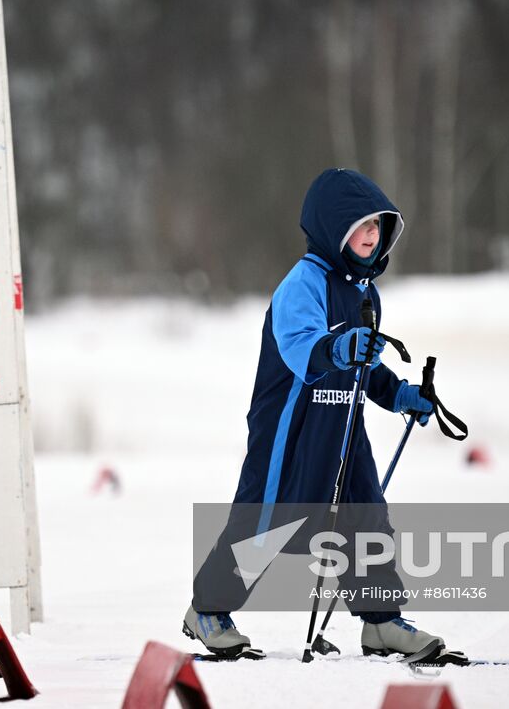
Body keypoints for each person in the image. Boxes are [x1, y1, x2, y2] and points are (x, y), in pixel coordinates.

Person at [183, 167, 444, 660]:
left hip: (344, 427)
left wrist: (401, 393)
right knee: (268, 521)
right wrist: (342, 348)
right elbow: (303, 349)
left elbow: (365, 366)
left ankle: (381, 622)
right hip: (292, 428)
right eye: (362, 226)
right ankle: (208, 610)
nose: (372, 237)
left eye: (378, 228)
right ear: (332, 228)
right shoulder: (302, 284)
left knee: (366, 517)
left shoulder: (365, 291)